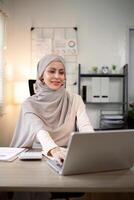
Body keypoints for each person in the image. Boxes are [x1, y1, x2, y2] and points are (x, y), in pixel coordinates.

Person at [10, 54, 94, 164]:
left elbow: (85, 127)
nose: (57, 76)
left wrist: (94, 146)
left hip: (67, 156)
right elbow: (40, 130)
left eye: (61, 72)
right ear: (41, 76)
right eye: (51, 71)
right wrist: (54, 150)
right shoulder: (29, 104)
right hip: (39, 156)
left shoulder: (75, 100)